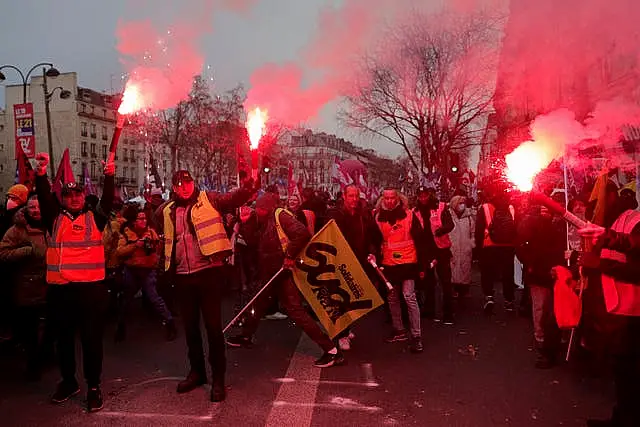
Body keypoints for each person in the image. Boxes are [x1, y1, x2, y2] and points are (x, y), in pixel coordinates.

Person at [159, 170, 256, 402]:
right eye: (180, 184)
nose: (185, 187)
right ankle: (197, 372)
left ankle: (218, 378)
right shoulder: (166, 211)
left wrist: (248, 187)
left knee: (213, 328)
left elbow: (232, 199)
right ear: (174, 187)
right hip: (183, 276)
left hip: (208, 274)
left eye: (188, 183)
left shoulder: (209, 199)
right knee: (191, 329)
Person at [35, 152, 114, 413]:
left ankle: (93, 387)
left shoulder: (96, 218)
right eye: (69, 195)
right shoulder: (53, 219)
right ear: (63, 198)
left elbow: (108, 198)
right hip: (60, 291)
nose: (74, 198)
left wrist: (110, 174)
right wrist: (41, 172)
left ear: (83, 196)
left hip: (90, 291)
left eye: (78, 194)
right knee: (64, 341)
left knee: (92, 341)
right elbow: (45, 198)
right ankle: (69, 381)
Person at [226, 193, 345, 367]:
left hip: (283, 272)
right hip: (270, 271)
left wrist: (289, 255)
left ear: (265, 208)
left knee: (295, 310)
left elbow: (302, 233)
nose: (255, 211)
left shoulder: (280, 215)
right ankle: (246, 335)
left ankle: (331, 350)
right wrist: (245, 224)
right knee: (258, 304)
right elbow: (253, 242)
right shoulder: (261, 219)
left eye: (258, 209)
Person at [579, 210, 640, 427]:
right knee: (624, 370)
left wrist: (600, 264)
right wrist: (604, 237)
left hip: (633, 312)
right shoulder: (631, 217)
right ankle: (621, 418)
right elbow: (631, 243)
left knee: (631, 374)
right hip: (624, 311)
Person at [0, 195, 51, 380]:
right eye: (32, 207)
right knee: (29, 329)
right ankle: (33, 364)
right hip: (27, 287)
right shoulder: (16, 230)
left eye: (39, 207)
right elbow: (3, 252)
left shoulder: (50, 226)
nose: (36, 211)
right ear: (26, 209)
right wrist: (26, 251)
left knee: (49, 326)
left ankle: (45, 356)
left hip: (49, 284)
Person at [115, 204, 176, 342]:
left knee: (155, 299)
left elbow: (159, 247)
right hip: (132, 271)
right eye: (139, 219)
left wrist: (155, 257)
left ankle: (170, 323)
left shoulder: (151, 232)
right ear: (133, 221)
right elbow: (119, 252)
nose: (143, 221)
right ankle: (121, 327)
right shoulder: (126, 233)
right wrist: (135, 245)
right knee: (126, 301)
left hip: (148, 270)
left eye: (144, 218)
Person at [330, 184, 379, 351]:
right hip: (341, 262)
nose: (354, 199)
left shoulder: (363, 215)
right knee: (342, 299)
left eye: (356, 196)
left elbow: (372, 236)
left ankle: (347, 329)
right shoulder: (335, 215)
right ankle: (342, 335)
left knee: (352, 298)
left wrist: (372, 252)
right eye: (350, 196)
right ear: (344, 196)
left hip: (358, 261)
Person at [374, 188, 423, 353]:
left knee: (409, 296)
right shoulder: (377, 217)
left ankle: (416, 336)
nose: (389, 201)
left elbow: (420, 238)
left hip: (408, 262)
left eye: (392, 197)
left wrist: (422, 265)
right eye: (386, 198)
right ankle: (399, 330)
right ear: (383, 199)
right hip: (389, 264)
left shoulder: (409, 215)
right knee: (392, 298)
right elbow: (376, 239)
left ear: (398, 198)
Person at [516, 203, 565, 368]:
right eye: (543, 210)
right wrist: (529, 264)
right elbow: (522, 246)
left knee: (549, 309)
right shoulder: (530, 225)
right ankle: (541, 339)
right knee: (541, 308)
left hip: (554, 273)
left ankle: (548, 339)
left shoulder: (560, 227)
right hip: (538, 273)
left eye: (548, 211)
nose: (546, 213)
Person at [413, 187, 454, 324]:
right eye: (421, 196)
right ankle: (429, 310)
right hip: (426, 252)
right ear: (418, 197)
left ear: (429, 195)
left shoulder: (441, 207)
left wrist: (440, 231)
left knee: (445, 282)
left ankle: (448, 313)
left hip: (441, 250)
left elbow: (450, 225)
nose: (423, 198)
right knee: (428, 283)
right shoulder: (415, 212)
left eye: (425, 195)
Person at [475, 186, 517, 314]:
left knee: (487, 272)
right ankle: (509, 300)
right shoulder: (511, 208)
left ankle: (489, 296)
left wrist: (478, 248)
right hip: (508, 245)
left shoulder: (485, 208)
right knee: (507, 274)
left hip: (489, 245)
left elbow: (479, 230)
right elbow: (516, 227)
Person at [449, 195, 475, 298]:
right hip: (453, 246)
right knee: (453, 268)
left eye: (463, 203)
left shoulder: (469, 217)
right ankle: (455, 289)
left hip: (466, 247)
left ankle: (464, 290)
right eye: (459, 203)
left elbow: (472, 232)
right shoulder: (449, 216)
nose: (461, 205)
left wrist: (471, 244)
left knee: (465, 268)